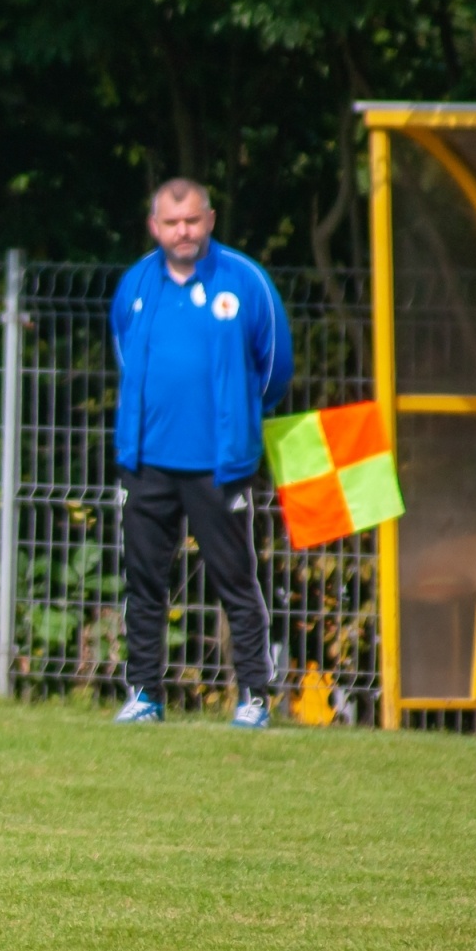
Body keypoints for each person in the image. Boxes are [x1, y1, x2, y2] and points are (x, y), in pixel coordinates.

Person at [109, 177, 293, 729]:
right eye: (172, 222)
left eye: (192, 220)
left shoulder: (245, 281)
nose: (183, 231)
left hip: (221, 464)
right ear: (154, 227)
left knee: (237, 582)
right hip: (146, 462)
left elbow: (275, 366)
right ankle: (144, 695)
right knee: (145, 582)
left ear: (209, 220)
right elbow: (124, 351)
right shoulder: (135, 285)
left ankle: (254, 699)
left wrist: (237, 420)